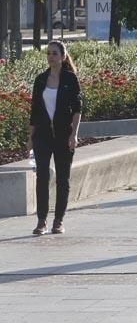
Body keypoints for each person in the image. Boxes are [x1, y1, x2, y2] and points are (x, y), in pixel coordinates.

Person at [28, 40, 82, 235]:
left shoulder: (70, 79)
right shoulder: (40, 80)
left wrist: (74, 134)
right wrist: (30, 138)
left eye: (55, 53)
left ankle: (58, 220)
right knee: (42, 175)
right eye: (49, 53)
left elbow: (77, 109)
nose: (51, 57)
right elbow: (34, 110)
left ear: (63, 56)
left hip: (63, 135)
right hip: (42, 136)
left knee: (62, 179)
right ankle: (41, 221)